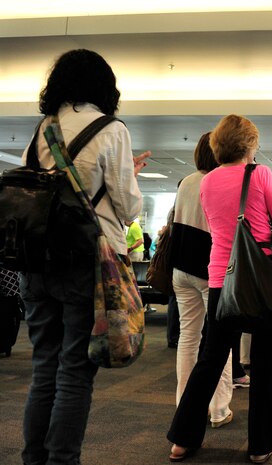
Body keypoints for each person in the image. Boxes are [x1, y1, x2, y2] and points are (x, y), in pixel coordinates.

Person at [19, 49, 149, 465]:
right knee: (75, 371)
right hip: (84, 264)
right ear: (103, 86)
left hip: (37, 262)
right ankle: (63, 460)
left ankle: (34, 459)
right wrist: (129, 172)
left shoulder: (44, 128)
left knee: (44, 369)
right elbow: (128, 209)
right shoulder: (111, 129)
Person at [167, 114, 272, 464]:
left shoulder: (207, 181)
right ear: (249, 144)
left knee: (209, 358)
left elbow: (218, 227)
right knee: (264, 363)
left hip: (221, 280)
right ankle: (259, 446)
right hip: (259, 281)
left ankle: (182, 439)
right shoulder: (261, 174)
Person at [169, 132, 234, 429]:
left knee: (189, 338)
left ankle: (184, 404)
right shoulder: (218, 182)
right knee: (220, 340)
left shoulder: (185, 183)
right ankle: (219, 408)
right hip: (209, 270)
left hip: (180, 269)